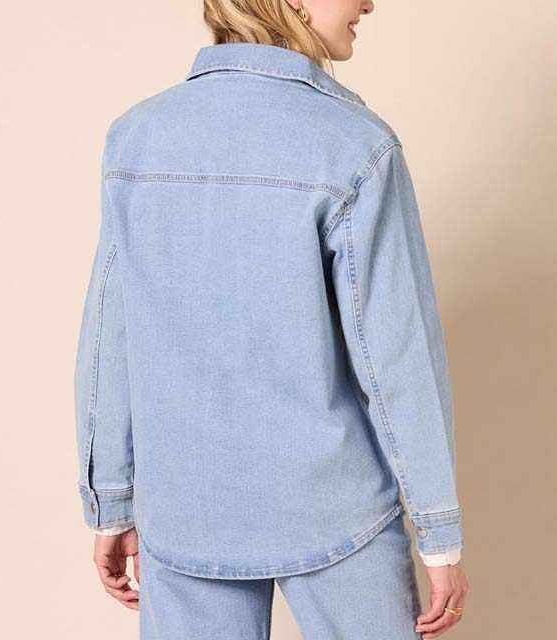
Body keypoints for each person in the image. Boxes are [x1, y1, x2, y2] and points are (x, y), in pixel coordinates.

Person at [73, 1, 470, 638]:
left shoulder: (137, 138)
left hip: (184, 509)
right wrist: (439, 532)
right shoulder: (355, 144)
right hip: (336, 508)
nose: (369, 2)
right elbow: (396, 357)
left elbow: (109, 335)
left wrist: (110, 501)